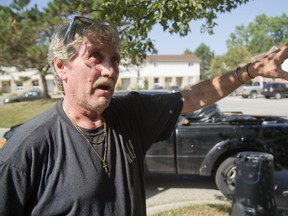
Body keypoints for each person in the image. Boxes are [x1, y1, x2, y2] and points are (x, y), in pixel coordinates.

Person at [0, 16, 287, 216]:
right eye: (96, 56)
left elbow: (193, 96)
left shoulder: (130, 114)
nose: (109, 70)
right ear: (61, 66)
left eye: (114, 59)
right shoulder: (25, 150)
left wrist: (252, 71)